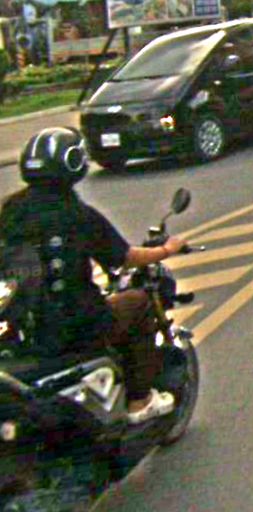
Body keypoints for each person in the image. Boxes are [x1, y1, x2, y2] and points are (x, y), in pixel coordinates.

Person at [0, 127, 187, 425]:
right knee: (138, 303)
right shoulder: (78, 215)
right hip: (79, 324)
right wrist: (166, 249)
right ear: (74, 164)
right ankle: (140, 400)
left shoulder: (10, 210)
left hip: (24, 327)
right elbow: (124, 257)